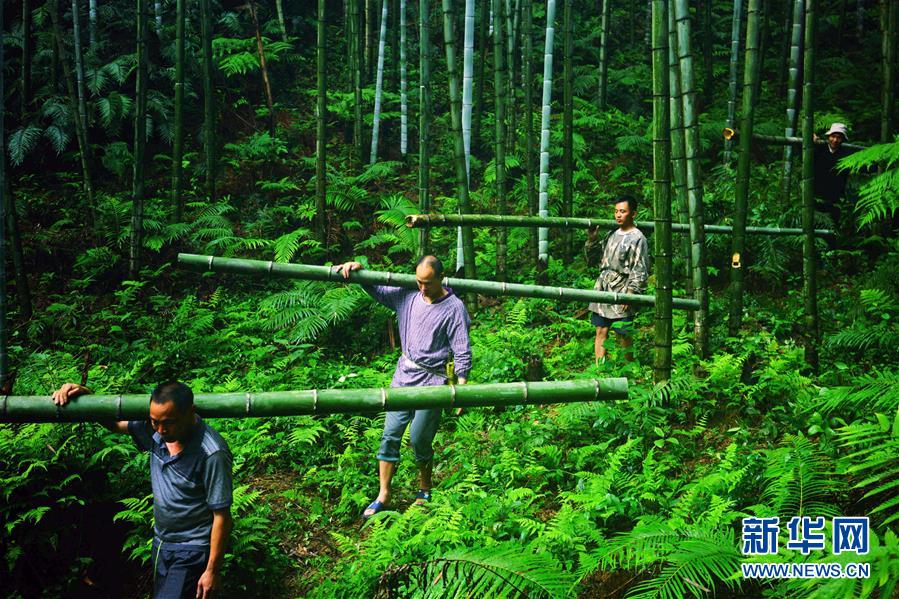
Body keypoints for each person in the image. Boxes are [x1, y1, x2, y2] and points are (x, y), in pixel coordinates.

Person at [52, 381, 233, 599]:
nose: (161, 429)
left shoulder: (211, 453)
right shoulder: (155, 433)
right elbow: (114, 425)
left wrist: (212, 570)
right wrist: (87, 396)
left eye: (168, 423)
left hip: (192, 548)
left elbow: (221, 515)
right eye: (154, 421)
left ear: (190, 412)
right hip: (162, 544)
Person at [336, 256, 472, 519]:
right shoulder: (408, 295)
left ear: (441, 279)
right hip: (403, 377)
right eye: (419, 282)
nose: (423, 288)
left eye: (428, 283)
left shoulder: (454, 308)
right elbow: (378, 289)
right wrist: (359, 271)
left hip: (433, 383)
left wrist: (462, 389)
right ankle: (383, 495)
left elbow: (462, 350)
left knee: (420, 438)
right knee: (390, 435)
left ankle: (424, 488)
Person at [583, 195, 649, 365]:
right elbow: (594, 260)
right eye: (616, 211)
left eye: (623, 211)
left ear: (633, 214)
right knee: (601, 329)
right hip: (603, 286)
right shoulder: (611, 233)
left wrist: (631, 292)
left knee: (623, 332)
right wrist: (592, 240)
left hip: (623, 287)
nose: (618, 215)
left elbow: (640, 267)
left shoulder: (638, 238)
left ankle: (629, 370)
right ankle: (600, 369)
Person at [812, 123, 869, 232]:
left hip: (835, 198)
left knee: (832, 228)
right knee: (814, 225)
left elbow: (864, 167)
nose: (835, 140)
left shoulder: (846, 154)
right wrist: (813, 143)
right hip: (816, 196)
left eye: (839, 137)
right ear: (828, 137)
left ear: (842, 139)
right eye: (833, 136)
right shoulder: (819, 149)